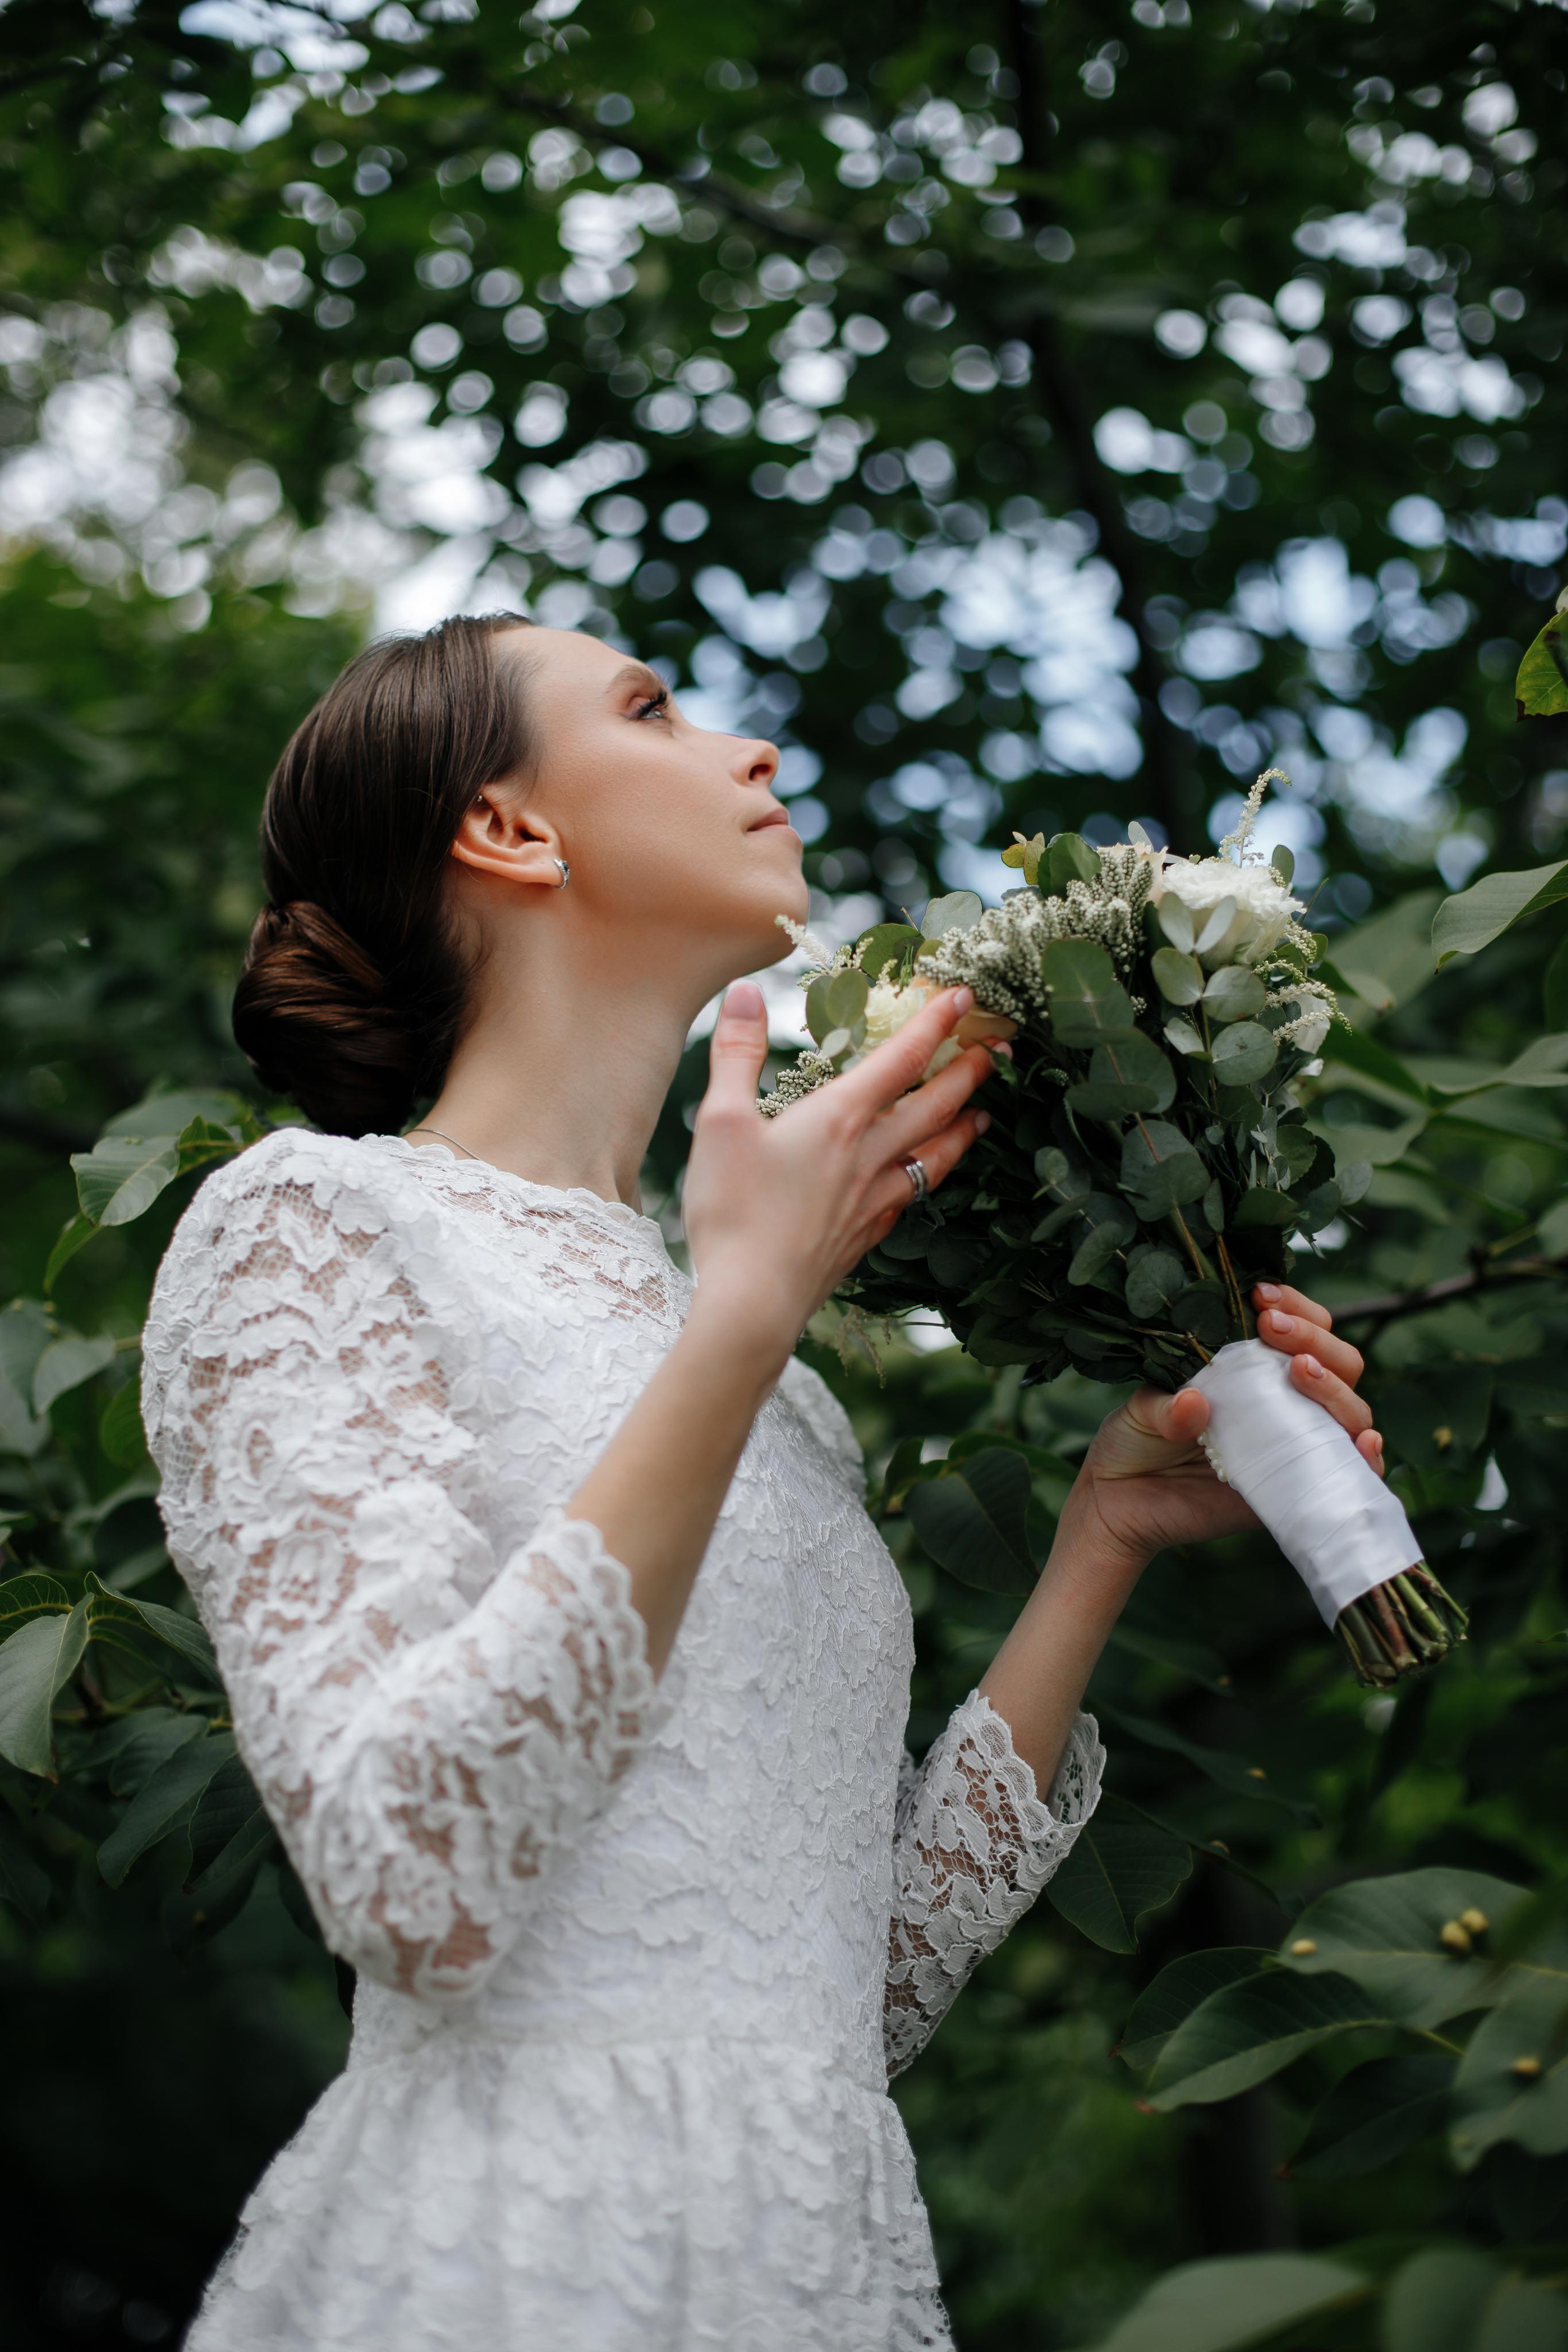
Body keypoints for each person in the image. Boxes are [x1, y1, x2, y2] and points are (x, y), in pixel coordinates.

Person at [140, 614, 1384, 2351]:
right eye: (653, 710)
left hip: (816, 2266)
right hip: (512, 2256)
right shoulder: (312, 1225)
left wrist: (1103, 1535)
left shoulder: (779, 1382)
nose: (756, 755)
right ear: (508, 830)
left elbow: (831, 1994)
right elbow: (411, 1881)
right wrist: (739, 1313)